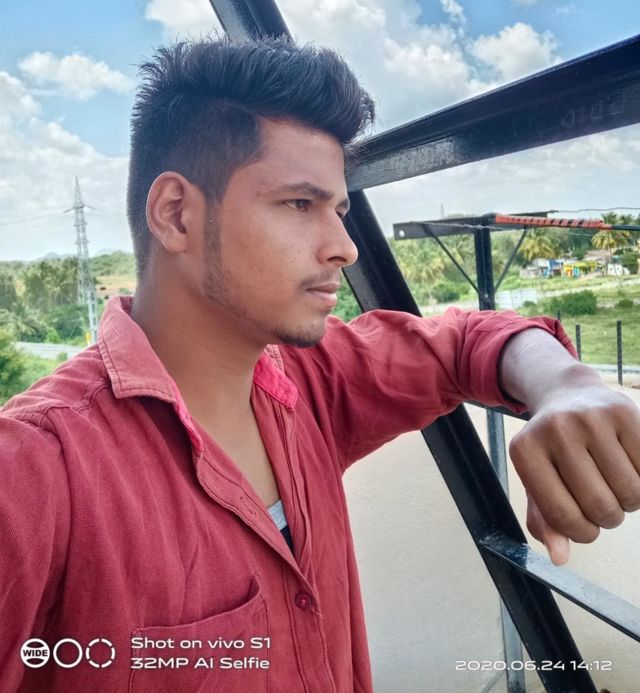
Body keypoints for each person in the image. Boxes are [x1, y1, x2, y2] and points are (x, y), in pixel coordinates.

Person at [1, 37, 638, 693]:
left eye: (338, 210)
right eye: (299, 204)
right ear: (176, 214)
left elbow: (460, 341)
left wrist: (567, 385)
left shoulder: (310, 378)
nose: (344, 247)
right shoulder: (36, 471)